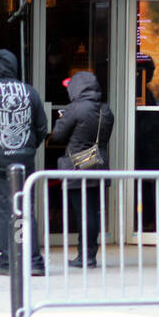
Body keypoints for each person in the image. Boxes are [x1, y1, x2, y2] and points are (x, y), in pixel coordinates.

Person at [0, 49, 49, 276]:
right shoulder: (29, 92)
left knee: (4, 212)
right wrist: (27, 148)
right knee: (25, 210)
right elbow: (42, 127)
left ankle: (10, 261)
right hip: (24, 161)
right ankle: (32, 260)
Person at [49, 71, 114, 268]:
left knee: (82, 213)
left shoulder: (75, 109)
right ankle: (90, 254)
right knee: (93, 212)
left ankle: (85, 256)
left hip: (78, 166)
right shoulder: (106, 110)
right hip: (98, 164)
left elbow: (58, 136)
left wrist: (62, 118)